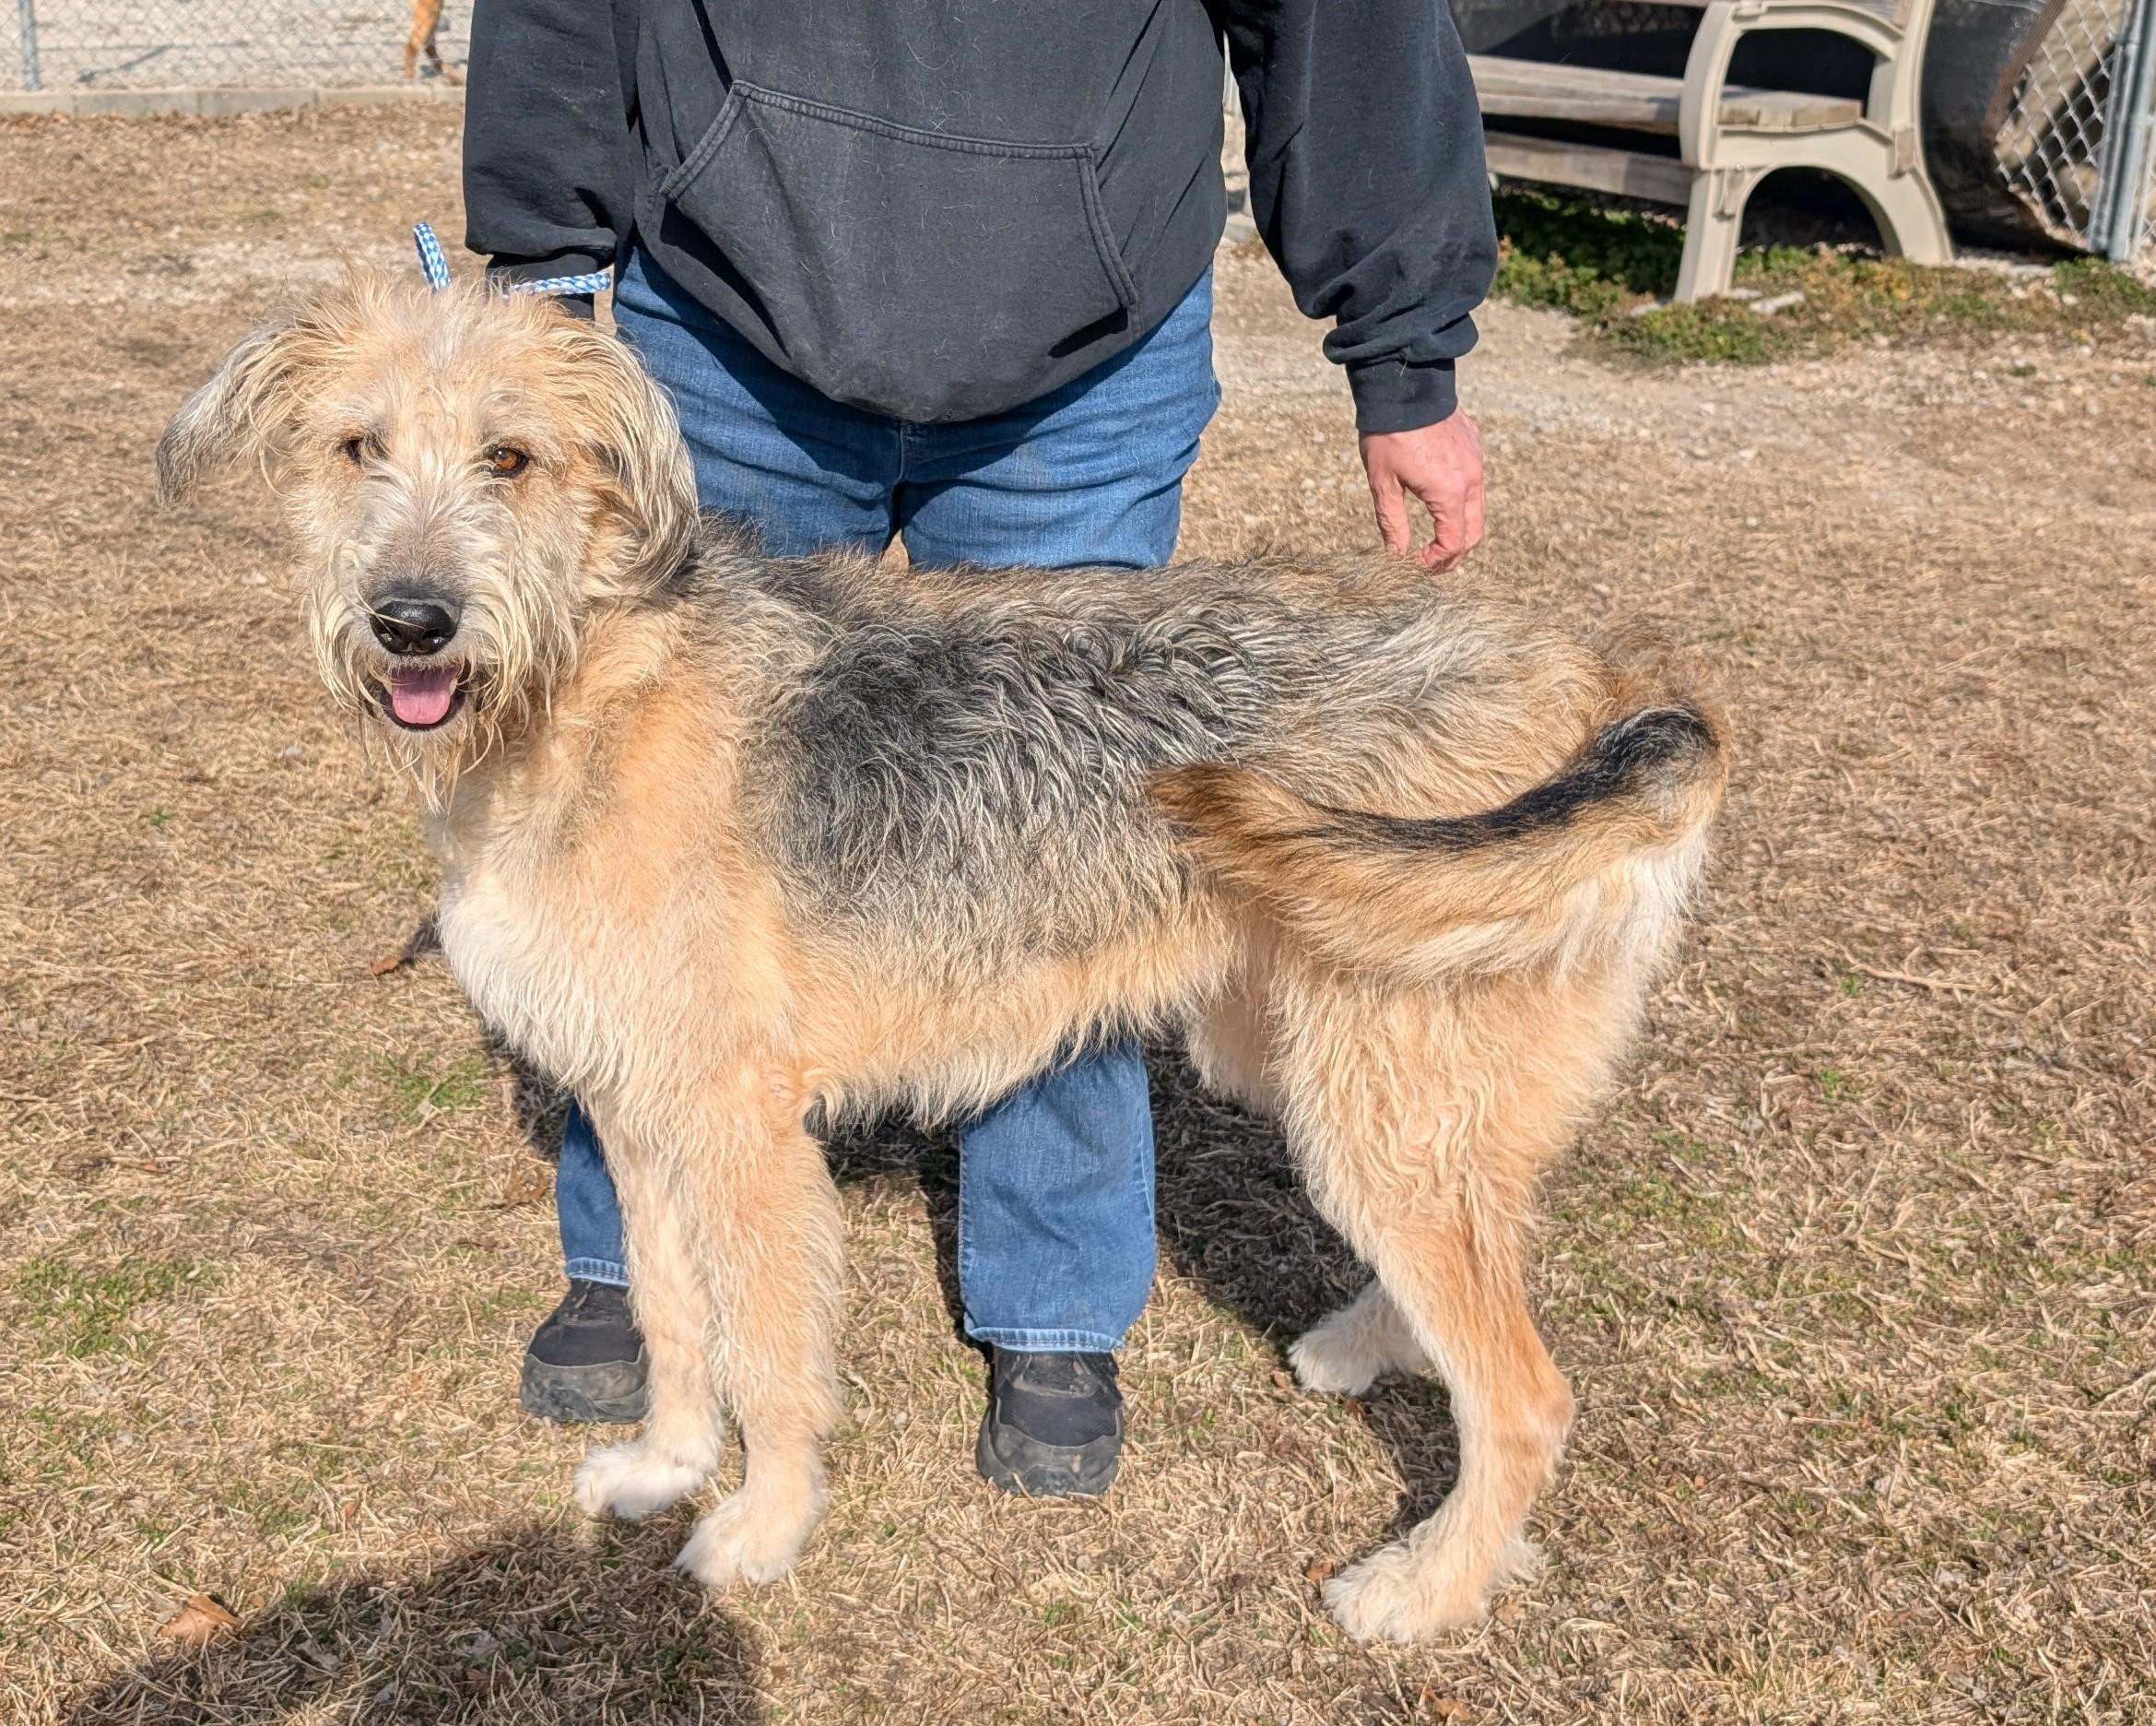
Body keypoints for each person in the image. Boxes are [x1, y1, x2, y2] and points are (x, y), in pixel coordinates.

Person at [463, 0, 1495, 1496]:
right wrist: (550, 269)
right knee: (626, 849)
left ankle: (1055, 1298)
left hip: (1083, 346)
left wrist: (1405, 353)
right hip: (728, 311)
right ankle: (639, 1264)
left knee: (1079, 857)